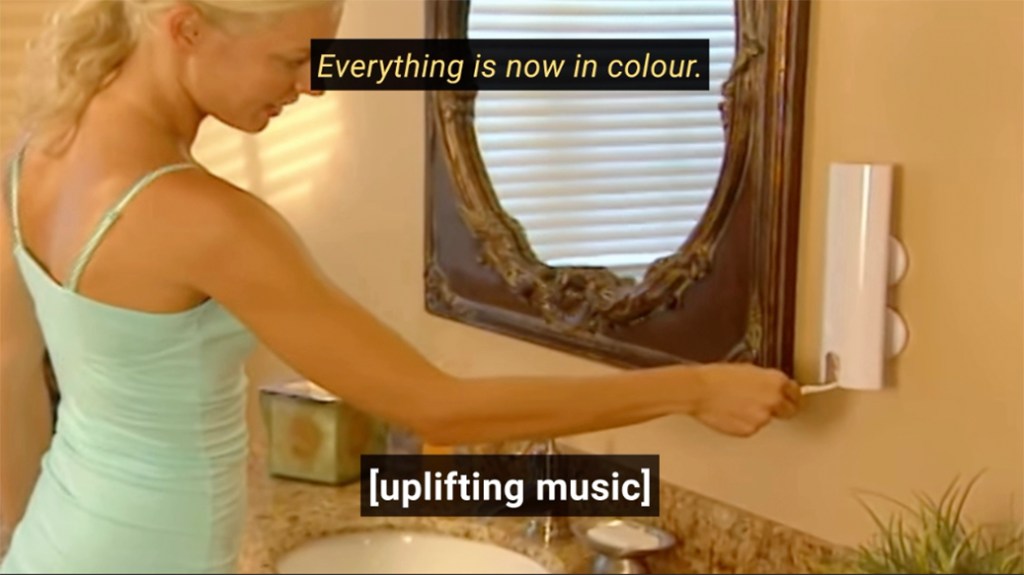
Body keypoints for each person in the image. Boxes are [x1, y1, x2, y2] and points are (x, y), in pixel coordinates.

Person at [0, 0, 803, 572]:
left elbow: (22, 363)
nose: (312, 85)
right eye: (292, 58)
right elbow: (434, 406)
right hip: (148, 552)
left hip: (57, 539)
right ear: (187, 27)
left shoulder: (42, 150)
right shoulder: (205, 218)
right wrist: (694, 388)